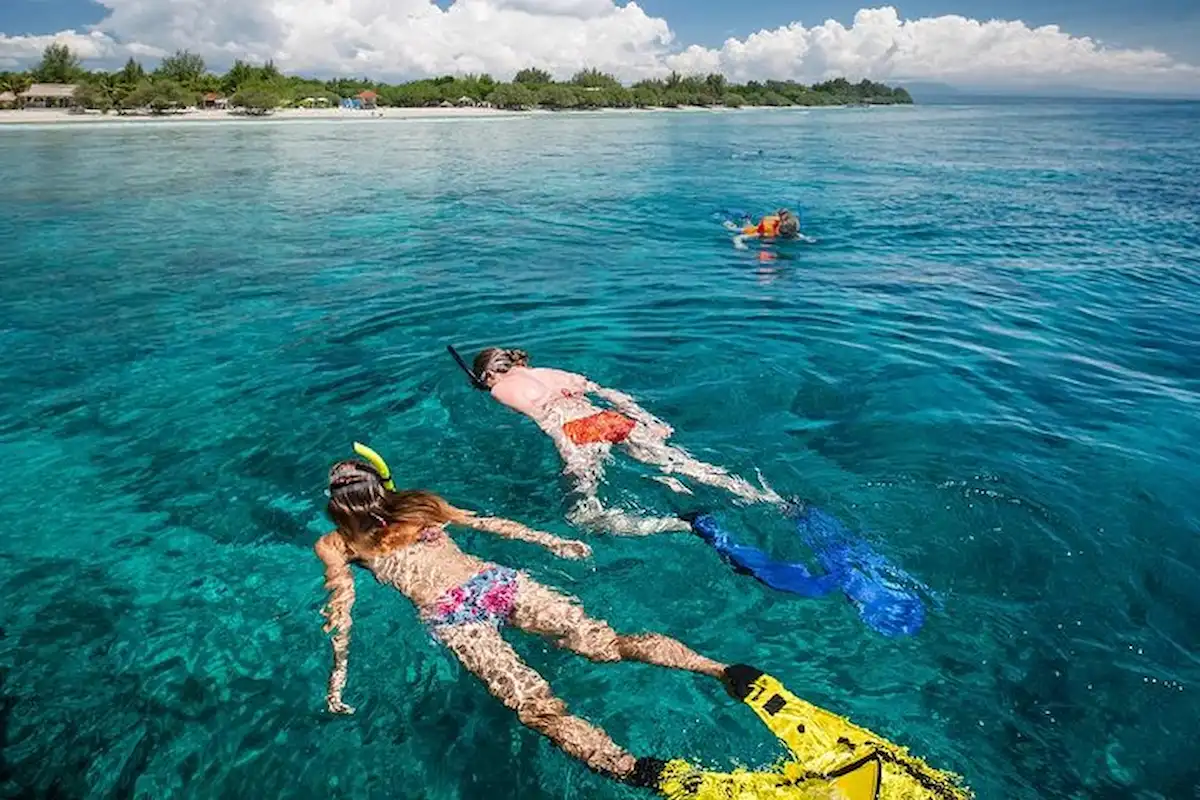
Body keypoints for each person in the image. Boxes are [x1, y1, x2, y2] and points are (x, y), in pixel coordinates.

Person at [314, 452, 765, 788]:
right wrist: (548, 540)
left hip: (454, 618)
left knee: (537, 708)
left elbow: (342, 607)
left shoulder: (336, 545)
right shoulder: (417, 505)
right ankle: (720, 670)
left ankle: (632, 769)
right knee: (607, 645)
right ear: (382, 483)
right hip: (495, 582)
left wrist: (339, 675)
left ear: (336, 506)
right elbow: (486, 523)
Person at [452, 346, 779, 535]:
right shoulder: (550, 372)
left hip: (577, 434)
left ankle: (679, 525)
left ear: (489, 375)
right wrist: (649, 421)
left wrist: (571, 454)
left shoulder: (498, 389)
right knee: (684, 465)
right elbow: (604, 392)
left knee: (582, 517)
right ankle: (762, 496)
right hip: (612, 419)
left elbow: (551, 421)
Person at [725, 208, 800, 250]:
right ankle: (744, 218)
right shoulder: (764, 233)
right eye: (782, 232)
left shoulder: (792, 232)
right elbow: (738, 237)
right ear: (778, 228)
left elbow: (800, 236)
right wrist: (739, 244)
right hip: (753, 230)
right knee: (733, 229)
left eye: (788, 234)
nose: (785, 235)